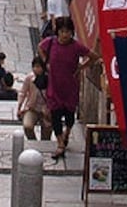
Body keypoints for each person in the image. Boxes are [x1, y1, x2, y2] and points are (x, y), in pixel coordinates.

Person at [38, 16, 99, 159]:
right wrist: (46, 63)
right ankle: (60, 144)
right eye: (62, 31)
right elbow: (40, 47)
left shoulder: (76, 46)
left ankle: (67, 133)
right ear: (57, 31)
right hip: (55, 86)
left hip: (70, 87)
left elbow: (94, 56)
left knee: (70, 116)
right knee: (55, 116)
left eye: (68, 31)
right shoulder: (51, 43)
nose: (65, 35)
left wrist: (81, 68)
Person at [17, 56, 52, 141]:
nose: (36, 69)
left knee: (47, 130)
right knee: (27, 126)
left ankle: (44, 145)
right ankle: (33, 141)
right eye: (35, 67)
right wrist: (19, 107)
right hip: (32, 108)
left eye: (39, 67)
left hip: (46, 110)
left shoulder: (50, 79)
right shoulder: (29, 78)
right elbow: (23, 92)